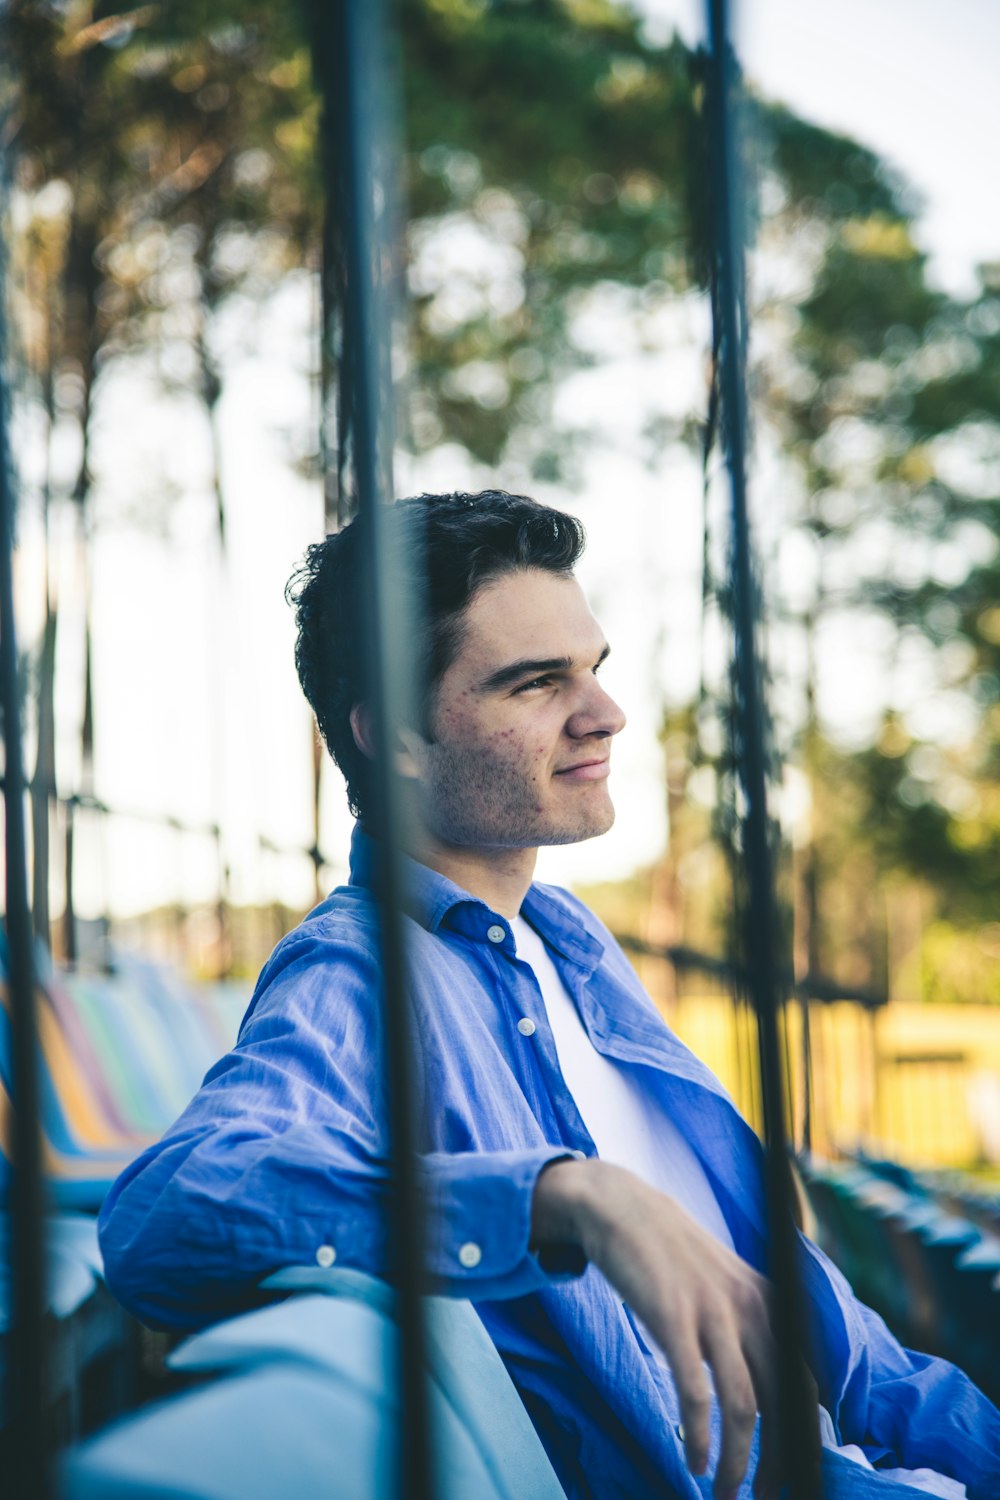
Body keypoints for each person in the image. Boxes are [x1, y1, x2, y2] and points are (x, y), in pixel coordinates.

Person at [99, 490, 999, 1500]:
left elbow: (850, 1354)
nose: (604, 714)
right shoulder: (359, 973)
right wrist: (564, 1196)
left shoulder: (571, 939)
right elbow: (168, 1215)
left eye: (593, 670)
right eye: (536, 684)